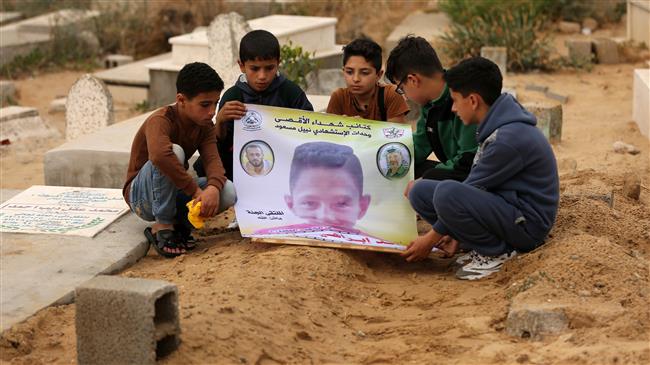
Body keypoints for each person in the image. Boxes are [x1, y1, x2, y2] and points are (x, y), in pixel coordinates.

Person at [402, 57, 559, 280]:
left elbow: (469, 189)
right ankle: (476, 244)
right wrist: (450, 230)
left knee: (448, 193)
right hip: (506, 208)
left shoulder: (508, 138)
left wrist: (430, 239)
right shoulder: (495, 125)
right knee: (421, 191)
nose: (454, 108)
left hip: (526, 225)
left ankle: (496, 252)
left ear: (473, 101)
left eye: (456, 100)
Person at [123, 62, 236, 258]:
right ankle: (163, 226)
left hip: (172, 191)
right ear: (181, 100)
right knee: (172, 152)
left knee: (228, 190)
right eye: (204, 104)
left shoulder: (205, 126)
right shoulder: (161, 120)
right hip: (142, 197)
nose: (211, 111)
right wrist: (195, 190)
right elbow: (159, 156)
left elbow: (213, 161)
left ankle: (180, 226)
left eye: (215, 103)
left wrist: (212, 188)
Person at [193, 29, 313, 181]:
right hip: (239, 172)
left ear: (278, 63)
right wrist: (221, 120)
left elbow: (309, 131)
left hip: (283, 169)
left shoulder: (290, 93)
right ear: (241, 66)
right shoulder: (233, 97)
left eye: (269, 68)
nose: (262, 76)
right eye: (254, 69)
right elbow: (219, 146)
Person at [385, 35, 478, 182]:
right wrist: (384, 158)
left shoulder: (463, 99)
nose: (405, 96)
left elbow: (468, 162)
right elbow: (420, 145)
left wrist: (427, 179)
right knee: (401, 172)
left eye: (402, 88)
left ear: (413, 80)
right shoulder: (431, 105)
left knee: (421, 187)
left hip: (474, 177)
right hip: (457, 170)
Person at [254, 141, 371, 236]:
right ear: (291, 204)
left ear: (362, 207)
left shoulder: (375, 245)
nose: (325, 216)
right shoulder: (268, 237)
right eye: (309, 203)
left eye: (341, 203)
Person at [327, 38, 409, 123]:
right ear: (343, 71)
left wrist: (365, 127)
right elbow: (326, 134)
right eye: (349, 72)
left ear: (378, 75)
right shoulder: (339, 98)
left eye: (364, 73)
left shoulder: (391, 95)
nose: (356, 79)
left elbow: (397, 135)